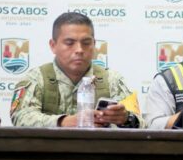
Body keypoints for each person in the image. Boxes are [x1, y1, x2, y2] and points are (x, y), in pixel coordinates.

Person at [10, 12, 141, 128]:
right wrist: (63, 122)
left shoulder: (112, 80)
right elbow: (21, 117)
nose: (79, 50)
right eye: (69, 43)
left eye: (86, 43)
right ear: (53, 45)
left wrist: (125, 118)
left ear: (94, 44)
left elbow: (141, 123)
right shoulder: (37, 78)